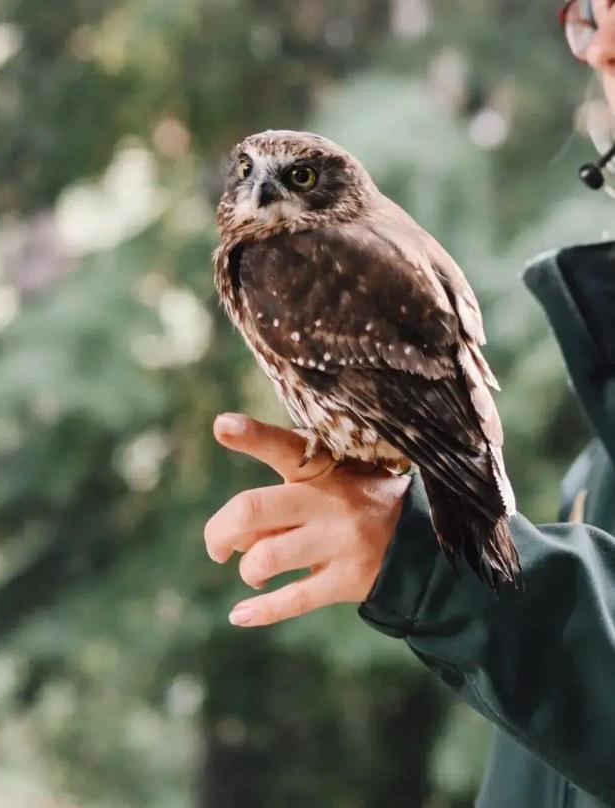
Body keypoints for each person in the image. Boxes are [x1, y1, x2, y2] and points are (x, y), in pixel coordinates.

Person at [204, 1, 615, 805]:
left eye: (296, 179)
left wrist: (427, 551)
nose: (602, 47)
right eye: (589, 16)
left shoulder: (292, 259)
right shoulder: (594, 468)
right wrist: (407, 534)